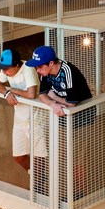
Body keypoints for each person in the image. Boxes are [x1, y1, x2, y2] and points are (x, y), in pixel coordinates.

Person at [28, 45, 94, 200]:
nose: (37, 70)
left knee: (77, 157)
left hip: (83, 117)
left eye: (39, 66)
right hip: (63, 117)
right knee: (65, 154)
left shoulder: (68, 71)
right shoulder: (45, 74)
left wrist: (54, 98)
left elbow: (72, 103)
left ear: (51, 63)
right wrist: (52, 104)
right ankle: (69, 188)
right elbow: (42, 95)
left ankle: (78, 192)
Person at [0, 48, 45, 177]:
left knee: (38, 157)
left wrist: (14, 90)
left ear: (16, 65)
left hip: (36, 118)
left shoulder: (28, 68)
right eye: (3, 69)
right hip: (20, 119)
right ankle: (37, 178)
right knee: (18, 156)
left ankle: (39, 185)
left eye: (6, 69)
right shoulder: (7, 69)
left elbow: (31, 94)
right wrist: (6, 93)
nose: (4, 72)